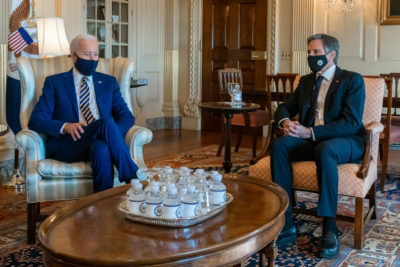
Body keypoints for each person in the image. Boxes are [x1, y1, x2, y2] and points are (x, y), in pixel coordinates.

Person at [271, 34, 365, 259]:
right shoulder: (306, 81)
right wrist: (286, 122)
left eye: (315, 52)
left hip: (347, 141)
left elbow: (350, 123)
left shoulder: (352, 80)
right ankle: (285, 221)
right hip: (311, 140)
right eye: (309, 52)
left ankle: (329, 226)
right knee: (280, 145)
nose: (310, 56)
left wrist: (310, 132)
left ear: (331, 55)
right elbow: (285, 106)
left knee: (325, 150)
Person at [28, 34, 138, 192]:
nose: (92, 59)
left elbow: (127, 116)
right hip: (68, 144)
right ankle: (132, 177)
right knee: (106, 122)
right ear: (73, 56)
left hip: (99, 141)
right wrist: (65, 126)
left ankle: (101, 206)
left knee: (102, 148)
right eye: (87, 54)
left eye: (96, 54)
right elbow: (36, 120)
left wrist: (110, 135)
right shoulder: (55, 82)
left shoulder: (108, 82)